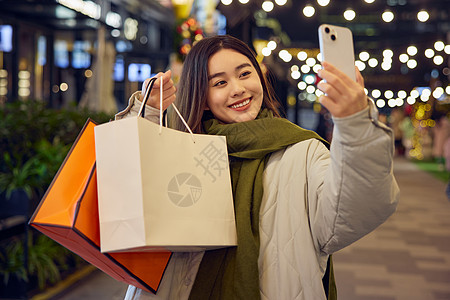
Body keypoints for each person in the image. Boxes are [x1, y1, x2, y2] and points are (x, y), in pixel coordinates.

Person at [117, 35, 399, 300]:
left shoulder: (303, 151)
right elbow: (124, 194)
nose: (238, 89)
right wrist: (148, 118)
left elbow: (351, 212)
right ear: (201, 97)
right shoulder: (179, 149)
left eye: (244, 73)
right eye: (219, 83)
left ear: (260, 77)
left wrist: (356, 124)